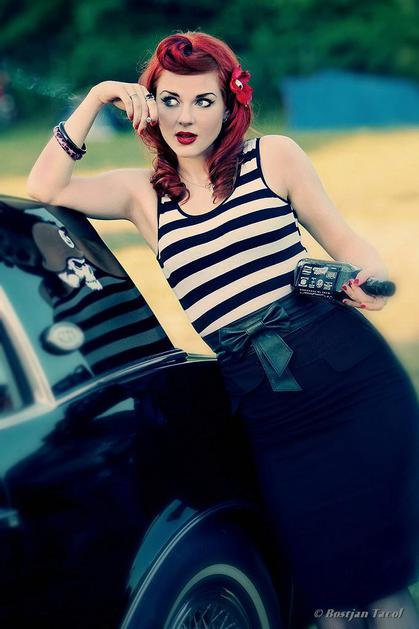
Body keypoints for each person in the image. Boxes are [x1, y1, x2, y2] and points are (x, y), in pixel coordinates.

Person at [26, 30, 419, 629]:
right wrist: (99, 95)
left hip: (350, 382)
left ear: (229, 104)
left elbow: (347, 242)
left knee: (380, 591)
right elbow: (45, 188)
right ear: (149, 105)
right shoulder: (142, 195)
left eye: (203, 101)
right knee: (326, 601)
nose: (185, 118)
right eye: (170, 100)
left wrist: (370, 277)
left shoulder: (274, 157)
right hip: (271, 412)